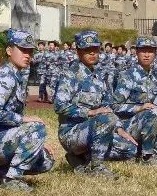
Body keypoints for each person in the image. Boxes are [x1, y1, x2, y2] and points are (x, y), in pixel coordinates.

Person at [0, 30, 55, 191]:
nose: (27, 55)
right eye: (23, 50)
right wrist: (24, 121)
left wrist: (34, 142)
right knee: (37, 127)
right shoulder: (5, 77)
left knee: (46, 159)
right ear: (9, 51)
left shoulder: (16, 75)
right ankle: (11, 179)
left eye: (30, 51)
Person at [52, 31, 137, 179]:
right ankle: (97, 167)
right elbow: (59, 106)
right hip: (72, 132)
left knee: (129, 149)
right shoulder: (69, 75)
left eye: (95, 49)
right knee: (105, 119)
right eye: (87, 50)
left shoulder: (99, 77)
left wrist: (118, 128)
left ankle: (81, 159)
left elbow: (107, 107)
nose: (92, 53)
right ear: (78, 51)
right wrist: (89, 112)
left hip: (96, 129)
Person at [111, 37, 157, 164]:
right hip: (128, 126)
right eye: (143, 51)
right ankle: (147, 156)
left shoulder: (155, 77)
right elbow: (114, 106)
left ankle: (139, 150)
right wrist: (138, 108)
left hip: (147, 128)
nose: (147, 55)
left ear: (155, 54)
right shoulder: (128, 76)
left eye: (151, 51)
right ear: (137, 52)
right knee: (151, 112)